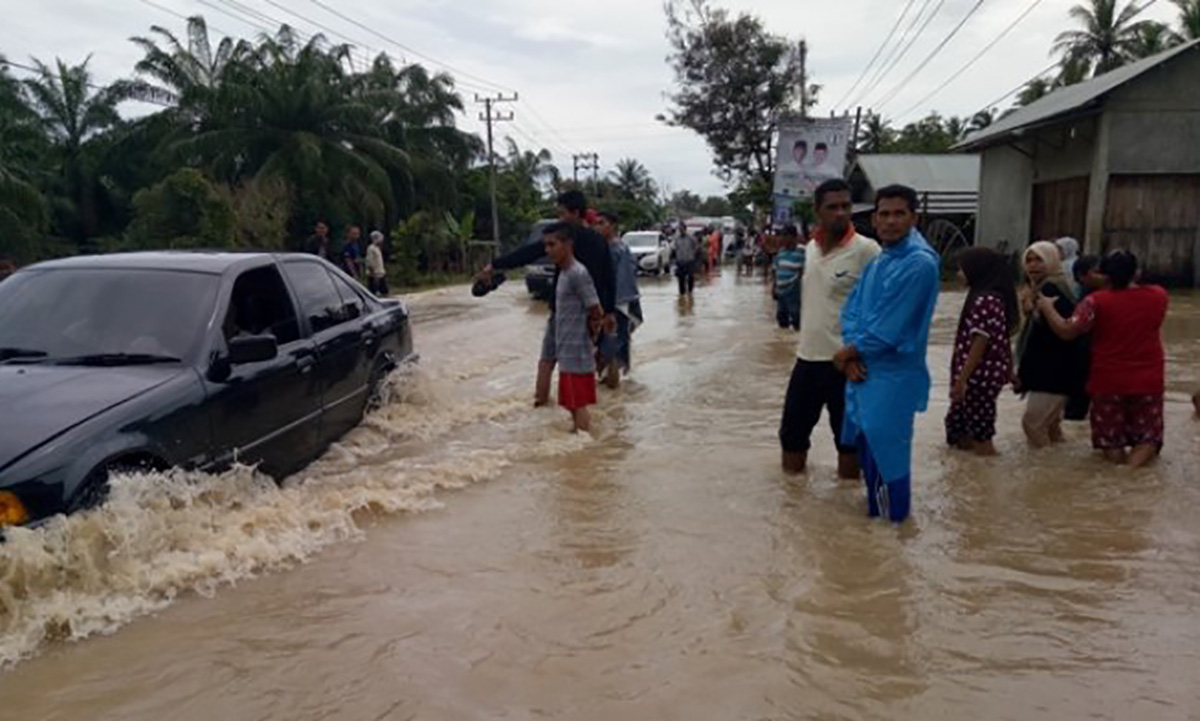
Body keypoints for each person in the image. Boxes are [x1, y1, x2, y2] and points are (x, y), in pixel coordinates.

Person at [834, 185, 940, 523]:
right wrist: (851, 357)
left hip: (890, 378)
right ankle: (877, 539)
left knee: (887, 460)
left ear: (914, 218)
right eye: (884, 214)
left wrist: (849, 353)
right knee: (869, 456)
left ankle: (890, 542)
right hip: (863, 371)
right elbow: (851, 310)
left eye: (899, 214)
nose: (891, 221)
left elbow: (889, 328)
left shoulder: (919, 264)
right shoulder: (881, 260)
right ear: (874, 218)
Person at [477, 190, 616, 407]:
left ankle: (543, 404)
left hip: (570, 312)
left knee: (548, 359)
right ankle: (589, 409)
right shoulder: (599, 241)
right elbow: (609, 278)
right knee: (585, 360)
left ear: (575, 213)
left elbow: (528, 253)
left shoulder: (565, 239)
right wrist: (609, 311)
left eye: (561, 214)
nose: (559, 219)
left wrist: (495, 264)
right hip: (588, 313)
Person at [780, 178, 880, 478]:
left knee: (849, 445)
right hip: (807, 360)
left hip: (845, 365)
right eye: (832, 207)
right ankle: (794, 508)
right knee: (791, 438)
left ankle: (846, 514)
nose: (840, 213)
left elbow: (881, 311)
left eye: (845, 207)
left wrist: (857, 353)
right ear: (817, 211)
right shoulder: (810, 248)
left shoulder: (867, 251)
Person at [1037, 250, 1168, 468]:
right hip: (1149, 381)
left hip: (1107, 381)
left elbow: (1068, 331)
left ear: (1104, 275)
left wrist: (1048, 309)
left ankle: (1118, 476)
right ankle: (1128, 475)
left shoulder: (1094, 302)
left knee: (1110, 440)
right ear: (1137, 272)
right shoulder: (1159, 296)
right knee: (1148, 438)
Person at [945, 248, 1019, 456]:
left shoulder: (985, 300)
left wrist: (962, 380)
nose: (958, 274)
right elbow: (1002, 339)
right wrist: (1010, 371)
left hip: (978, 379)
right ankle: (969, 480)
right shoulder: (987, 297)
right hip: (977, 377)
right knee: (958, 430)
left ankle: (986, 476)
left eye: (962, 269)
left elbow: (981, 341)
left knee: (980, 434)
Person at [1014, 241, 1087, 445]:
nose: (1033, 265)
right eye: (1028, 260)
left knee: (1033, 425)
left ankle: (1039, 475)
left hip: (1053, 374)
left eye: (1039, 260)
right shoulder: (1048, 287)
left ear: (1052, 260)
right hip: (1057, 372)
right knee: (1052, 428)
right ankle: (1056, 471)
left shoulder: (1050, 290)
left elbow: (1063, 334)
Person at [542, 223, 604, 433]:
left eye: (552, 244)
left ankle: (583, 444)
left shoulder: (578, 273)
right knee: (571, 403)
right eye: (546, 245)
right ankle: (579, 437)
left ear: (568, 244)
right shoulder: (564, 274)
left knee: (578, 404)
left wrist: (591, 334)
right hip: (566, 349)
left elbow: (595, 308)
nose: (548, 250)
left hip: (577, 351)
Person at [594, 211, 641, 389]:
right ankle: (607, 382)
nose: (598, 227)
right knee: (605, 344)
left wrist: (616, 306)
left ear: (612, 226)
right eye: (597, 223)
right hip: (604, 304)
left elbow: (624, 280)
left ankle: (612, 384)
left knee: (612, 344)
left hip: (616, 304)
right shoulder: (605, 248)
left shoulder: (619, 250)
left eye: (602, 223)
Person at [772, 225, 805, 330]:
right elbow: (775, 270)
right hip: (781, 290)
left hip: (794, 290)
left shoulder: (802, 251)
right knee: (781, 318)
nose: (781, 238)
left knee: (796, 316)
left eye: (785, 236)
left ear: (794, 237)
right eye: (781, 236)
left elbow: (806, 270)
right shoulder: (781, 252)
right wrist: (773, 287)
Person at [674, 229, 699, 296]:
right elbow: (675, 248)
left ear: (685, 230)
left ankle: (690, 292)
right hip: (680, 261)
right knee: (681, 279)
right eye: (680, 230)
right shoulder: (677, 239)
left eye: (682, 230)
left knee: (690, 277)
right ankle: (682, 294)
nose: (681, 231)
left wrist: (692, 254)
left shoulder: (691, 238)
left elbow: (696, 247)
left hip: (689, 261)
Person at [366, 230, 388, 296]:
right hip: (375, 274)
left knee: (384, 291)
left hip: (380, 273)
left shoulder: (377, 248)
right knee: (374, 291)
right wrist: (372, 272)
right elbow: (370, 261)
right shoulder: (371, 248)